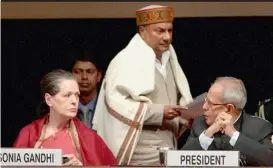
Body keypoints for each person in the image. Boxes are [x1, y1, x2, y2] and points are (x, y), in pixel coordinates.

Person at [92, 5, 193, 165]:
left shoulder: (170, 59)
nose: (167, 37)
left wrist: (186, 115)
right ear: (142, 31)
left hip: (169, 147)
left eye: (170, 31)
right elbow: (116, 103)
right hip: (140, 153)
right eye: (159, 31)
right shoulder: (126, 59)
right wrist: (159, 112)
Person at [13, 69, 117, 166]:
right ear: (49, 99)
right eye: (67, 95)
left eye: (77, 95)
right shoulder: (29, 134)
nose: (74, 101)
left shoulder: (89, 138)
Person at [182, 76, 273, 166]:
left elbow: (269, 160)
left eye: (210, 103)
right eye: (206, 100)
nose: (204, 107)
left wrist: (233, 134)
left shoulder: (260, 127)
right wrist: (207, 135)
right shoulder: (199, 123)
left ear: (229, 108)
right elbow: (179, 161)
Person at [70, 47, 102, 129]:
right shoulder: (61, 109)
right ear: (70, 75)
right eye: (78, 72)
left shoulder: (109, 108)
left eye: (90, 72)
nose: (84, 77)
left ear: (98, 76)